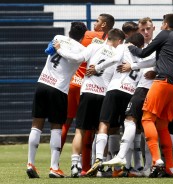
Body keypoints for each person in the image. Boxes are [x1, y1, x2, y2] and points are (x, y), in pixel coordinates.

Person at [54, 28, 125, 178]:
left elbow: (77, 58)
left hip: (87, 92)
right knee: (101, 130)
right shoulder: (118, 53)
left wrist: (60, 51)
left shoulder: (94, 46)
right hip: (104, 94)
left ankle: (74, 166)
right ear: (118, 41)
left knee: (80, 130)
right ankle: (100, 167)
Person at [127, 13, 173, 177]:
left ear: (166, 24)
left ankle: (156, 160)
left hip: (163, 82)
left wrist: (128, 46)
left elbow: (143, 53)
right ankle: (170, 167)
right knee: (162, 126)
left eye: (162, 23)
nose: (161, 26)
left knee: (146, 119)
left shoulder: (165, 34)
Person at [26, 22, 87, 178]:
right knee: (56, 127)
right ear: (83, 36)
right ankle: (54, 167)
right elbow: (75, 58)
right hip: (58, 89)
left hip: (42, 83)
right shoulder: (82, 49)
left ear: (69, 31)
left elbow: (50, 50)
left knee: (36, 125)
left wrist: (59, 48)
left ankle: (30, 163)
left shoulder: (58, 37)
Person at [102, 17, 157, 178]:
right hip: (133, 90)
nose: (145, 32)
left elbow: (162, 63)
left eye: (148, 29)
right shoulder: (132, 47)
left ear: (153, 28)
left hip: (149, 90)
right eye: (142, 30)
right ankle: (132, 165)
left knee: (141, 126)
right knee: (133, 125)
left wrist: (154, 71)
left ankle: (146, 165)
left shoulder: (155, 46)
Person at [60, 13, 115, 176]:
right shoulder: (116, 47)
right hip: (102, 90)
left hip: (78, 84)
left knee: (71, 126)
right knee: (99, 130)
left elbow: (75, 55)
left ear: (104, 24)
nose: (94, 24)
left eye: (97, 21)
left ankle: (63, 164)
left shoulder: (88, 36)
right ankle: (93, 166)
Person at [85, 32, 145, 177]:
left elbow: (115, 59)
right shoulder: (143, 55)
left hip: (115, 89)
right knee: (126, 128)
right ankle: (121, 166)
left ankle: (99, 159)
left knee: (104, 123)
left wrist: (97, 68)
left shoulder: (123, 47)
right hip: (131, 93)